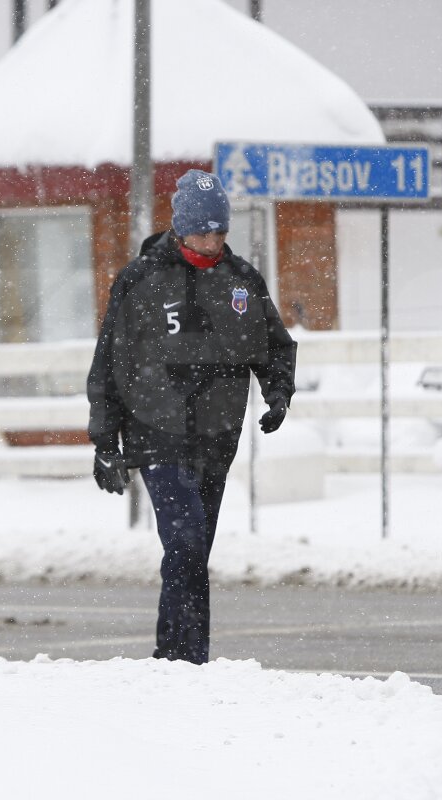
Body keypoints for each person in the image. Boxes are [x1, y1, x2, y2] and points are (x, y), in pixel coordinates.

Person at [87, 170, 297, 665]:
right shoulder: (138, 280)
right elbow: (109, 363)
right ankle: (176, 658)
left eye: (220, 231)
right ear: (180, 228)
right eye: (202, 231)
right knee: (183, 543)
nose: (212, 241)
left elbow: (274, 346)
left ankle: (186, 661)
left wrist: (278, 394)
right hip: (155, 428)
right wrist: (104, 441)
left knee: (194, 552)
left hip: (217, 434)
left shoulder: (241, 280)